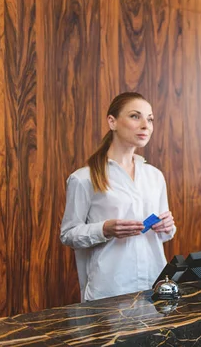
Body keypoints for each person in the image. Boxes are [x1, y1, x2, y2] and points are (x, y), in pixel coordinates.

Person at [60, 92, 176, 302]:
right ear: (112, 122)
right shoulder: (83, 178)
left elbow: (165, 236)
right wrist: (104, 229)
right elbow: (68, 234)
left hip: (155, 287)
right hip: (110, 289)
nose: (145, 125)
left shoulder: (155, 176)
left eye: (150, 119)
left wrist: (168, 227)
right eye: (135, 116)